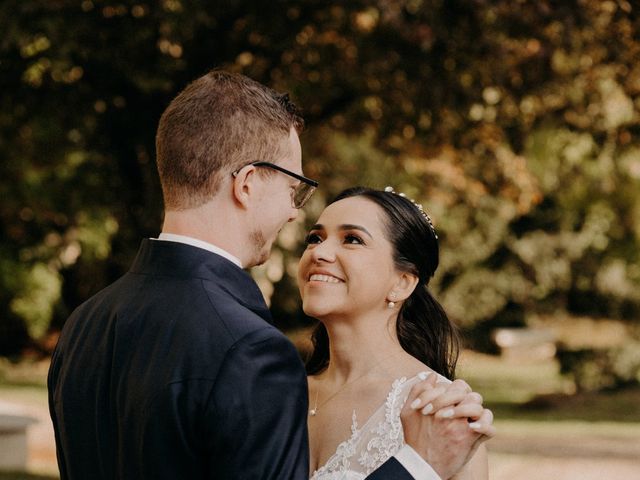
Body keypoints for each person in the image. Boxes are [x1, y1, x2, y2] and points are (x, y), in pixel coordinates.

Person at [48, 70, 491, 479]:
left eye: (352, 239)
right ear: (247, 184)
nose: (295, 218)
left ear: (404, 281)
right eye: (292, 190)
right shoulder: (253, 355)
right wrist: (415, 465)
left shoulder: (84, 324)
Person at [299, 186, 494, 479]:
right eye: (315, 238)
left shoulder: (441, 411)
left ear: (402, 283)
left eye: (352, 239)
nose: (320, 252)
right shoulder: (279, 391)